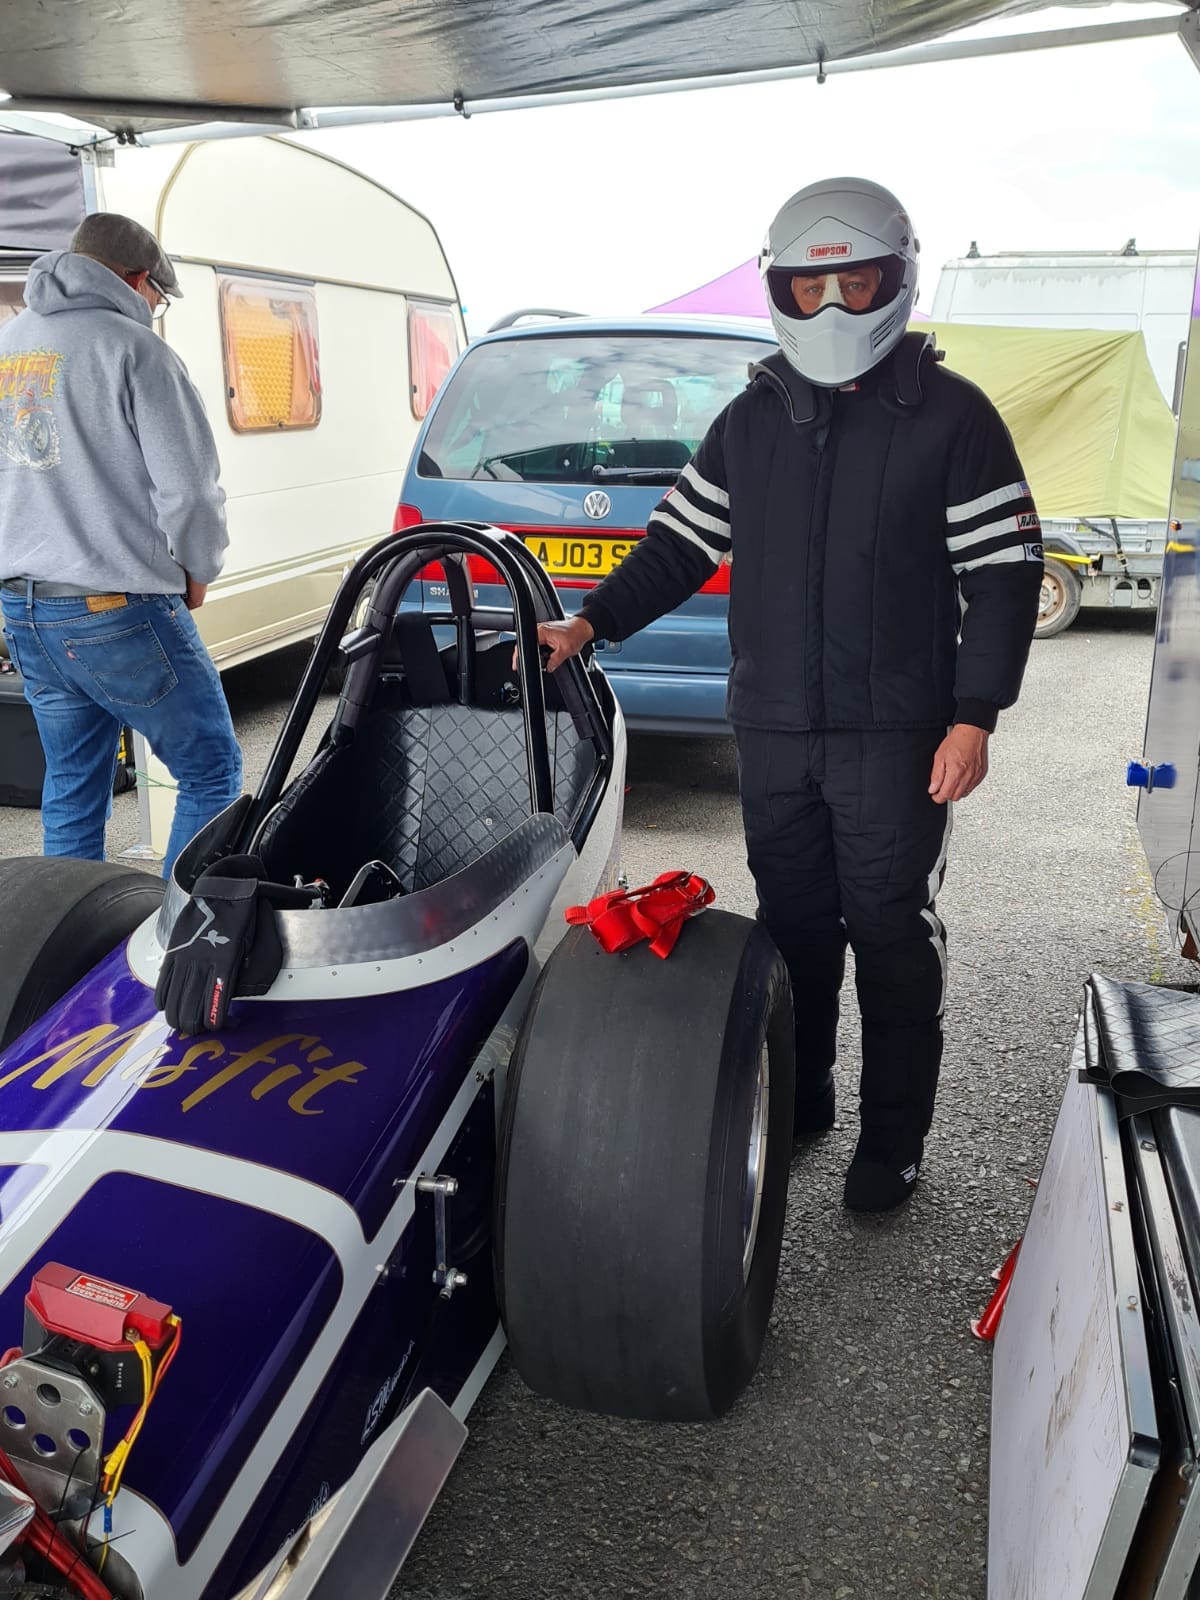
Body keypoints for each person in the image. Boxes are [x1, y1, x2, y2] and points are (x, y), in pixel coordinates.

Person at [537, 177, 1043, 1212]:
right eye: (810, 288)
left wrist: (974, 715)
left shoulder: (953, 417)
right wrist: (590, 621)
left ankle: (893, 1141)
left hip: (897, 736)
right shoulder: (748, 420)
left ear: (895, 281)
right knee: (796, 925)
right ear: (781, 290)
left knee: (892, 931)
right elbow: (679, 546)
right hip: (774, 729)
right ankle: (803, 1097)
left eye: (855, 283)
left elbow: (1004, 574)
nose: (833, 310)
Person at [0, 212, 242, 877]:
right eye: (157, 297)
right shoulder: (137, 352)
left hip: (25, 608)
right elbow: (189, 494)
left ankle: (61, 951)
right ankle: (173, 953)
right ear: (139, 281)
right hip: (117, 605)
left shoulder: (10, 343)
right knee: (211, 772)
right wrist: (199, 568)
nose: (154, 309)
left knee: (74, 786)